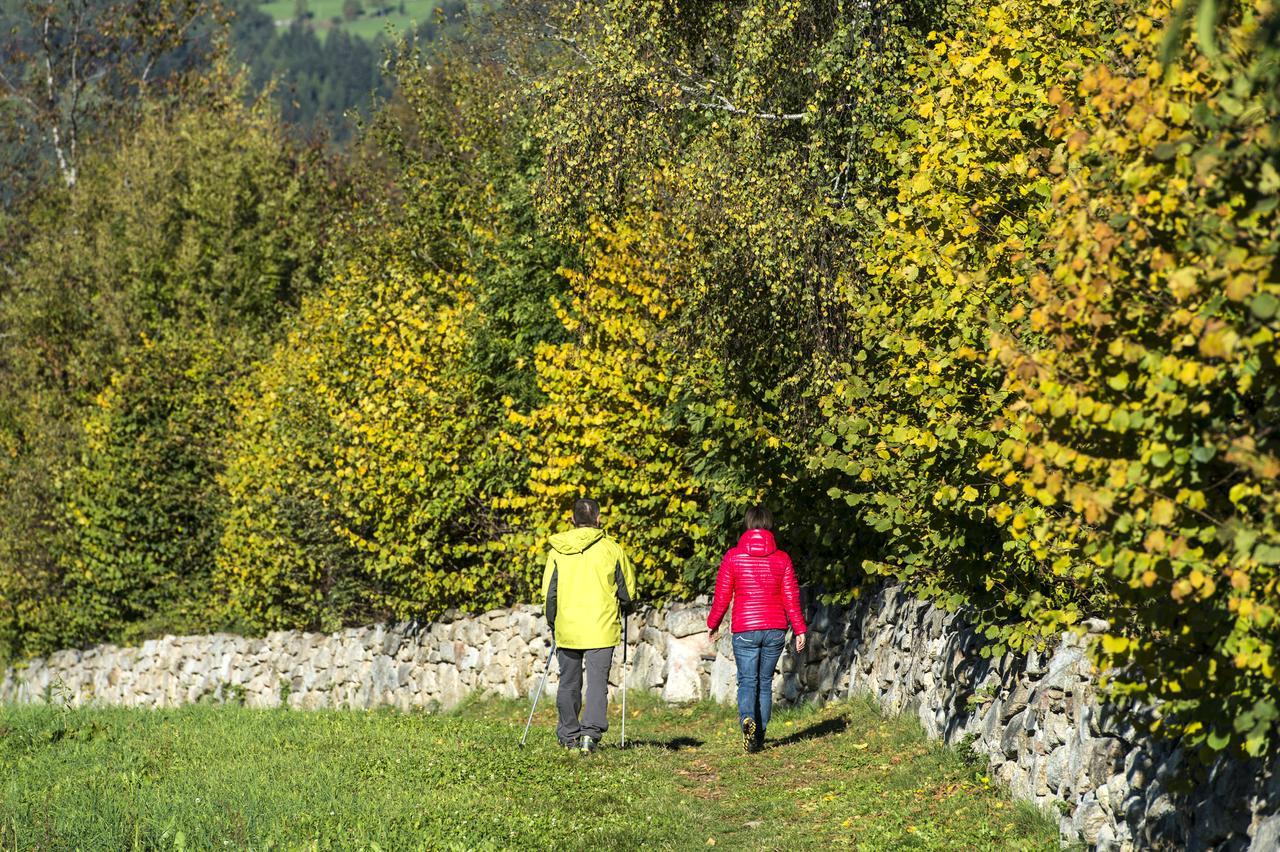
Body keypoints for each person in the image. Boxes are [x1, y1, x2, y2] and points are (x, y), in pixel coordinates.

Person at [707, 505, 807, 753]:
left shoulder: (733, 556)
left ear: (747, 524)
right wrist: (800, 629)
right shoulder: (782, 558)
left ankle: (747, 720)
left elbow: (722, 595)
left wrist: (713, 624)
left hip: (745, 629)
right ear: (770, 524)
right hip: (774, 628)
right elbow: (791, 597)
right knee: (765, 682)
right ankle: (758, 737)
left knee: (747, 681)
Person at [542, 497, 636, 754]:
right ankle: (590, 736)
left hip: (568, 626)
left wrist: (552, 620)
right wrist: (627, 608)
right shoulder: (612, 549)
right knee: (597, 684)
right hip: (601, 626)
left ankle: (569, 735)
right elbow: (627, 591)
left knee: (569, 682)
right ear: (598, 519)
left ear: (572, 520)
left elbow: (550, 592)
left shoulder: (557, 550)